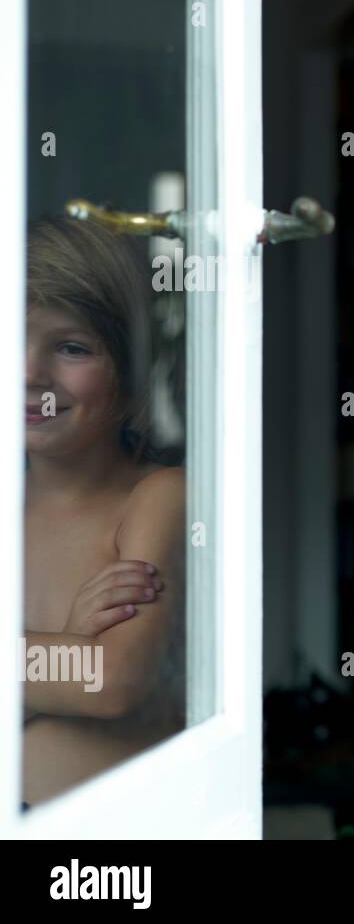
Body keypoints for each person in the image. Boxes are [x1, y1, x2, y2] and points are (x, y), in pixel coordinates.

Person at [22, 216, 186, 809]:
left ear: (131, 373)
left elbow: (108, 681)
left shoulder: (159, 497)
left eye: (70, 347)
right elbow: (76, 669)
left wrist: (65, 665)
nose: (29, 374)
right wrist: (66, 644)